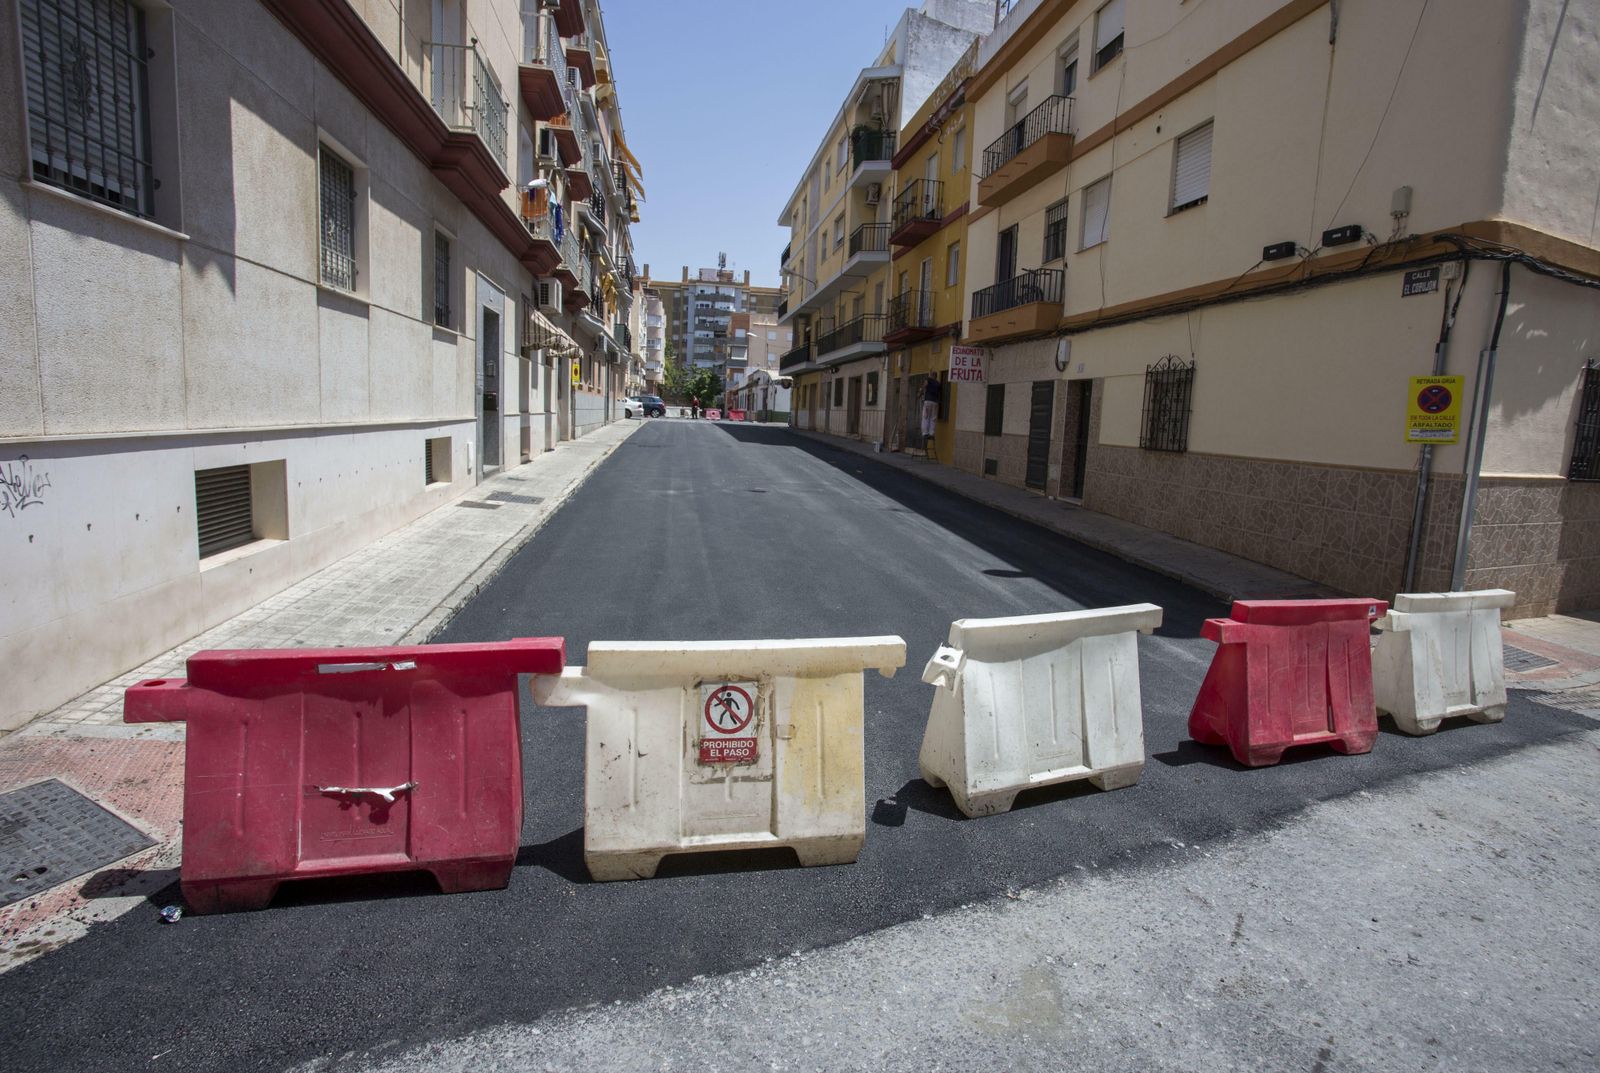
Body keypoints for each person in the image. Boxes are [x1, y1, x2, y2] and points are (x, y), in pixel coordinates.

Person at [921, 373, 942, 444]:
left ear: (932, 376)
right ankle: (931, 433)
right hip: (935, 402)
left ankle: (925, 433)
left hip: (928, 402)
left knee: (926, 417)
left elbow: (925, 385)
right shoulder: (938, 383)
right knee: (933, 418)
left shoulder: (929, 380)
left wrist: (920, 391)